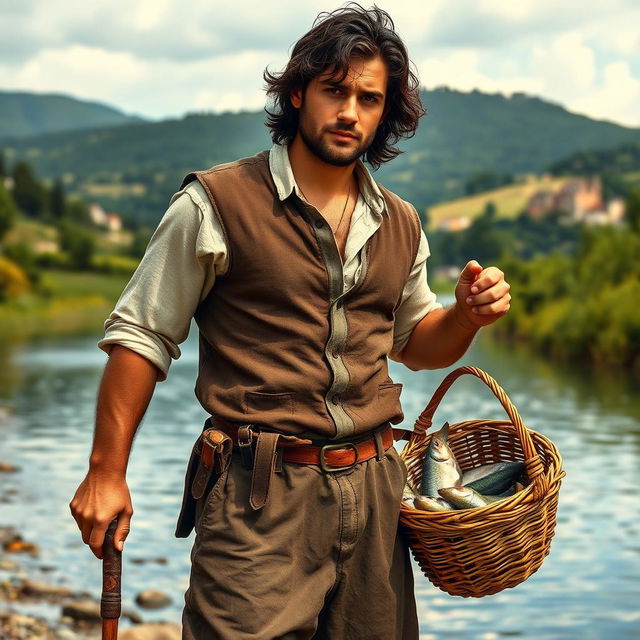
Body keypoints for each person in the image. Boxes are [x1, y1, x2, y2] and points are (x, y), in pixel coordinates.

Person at [69, 4, 511, 639]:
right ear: (299, 92)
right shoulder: (215, 204)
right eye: (335, 90)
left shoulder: (401, 222)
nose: (349, 112)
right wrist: (106, 473)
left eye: (369, 97)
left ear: (386, 112)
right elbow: (141, 337)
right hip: (259, 496)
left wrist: (465, 316)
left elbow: (416, 343)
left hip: (378, 493)